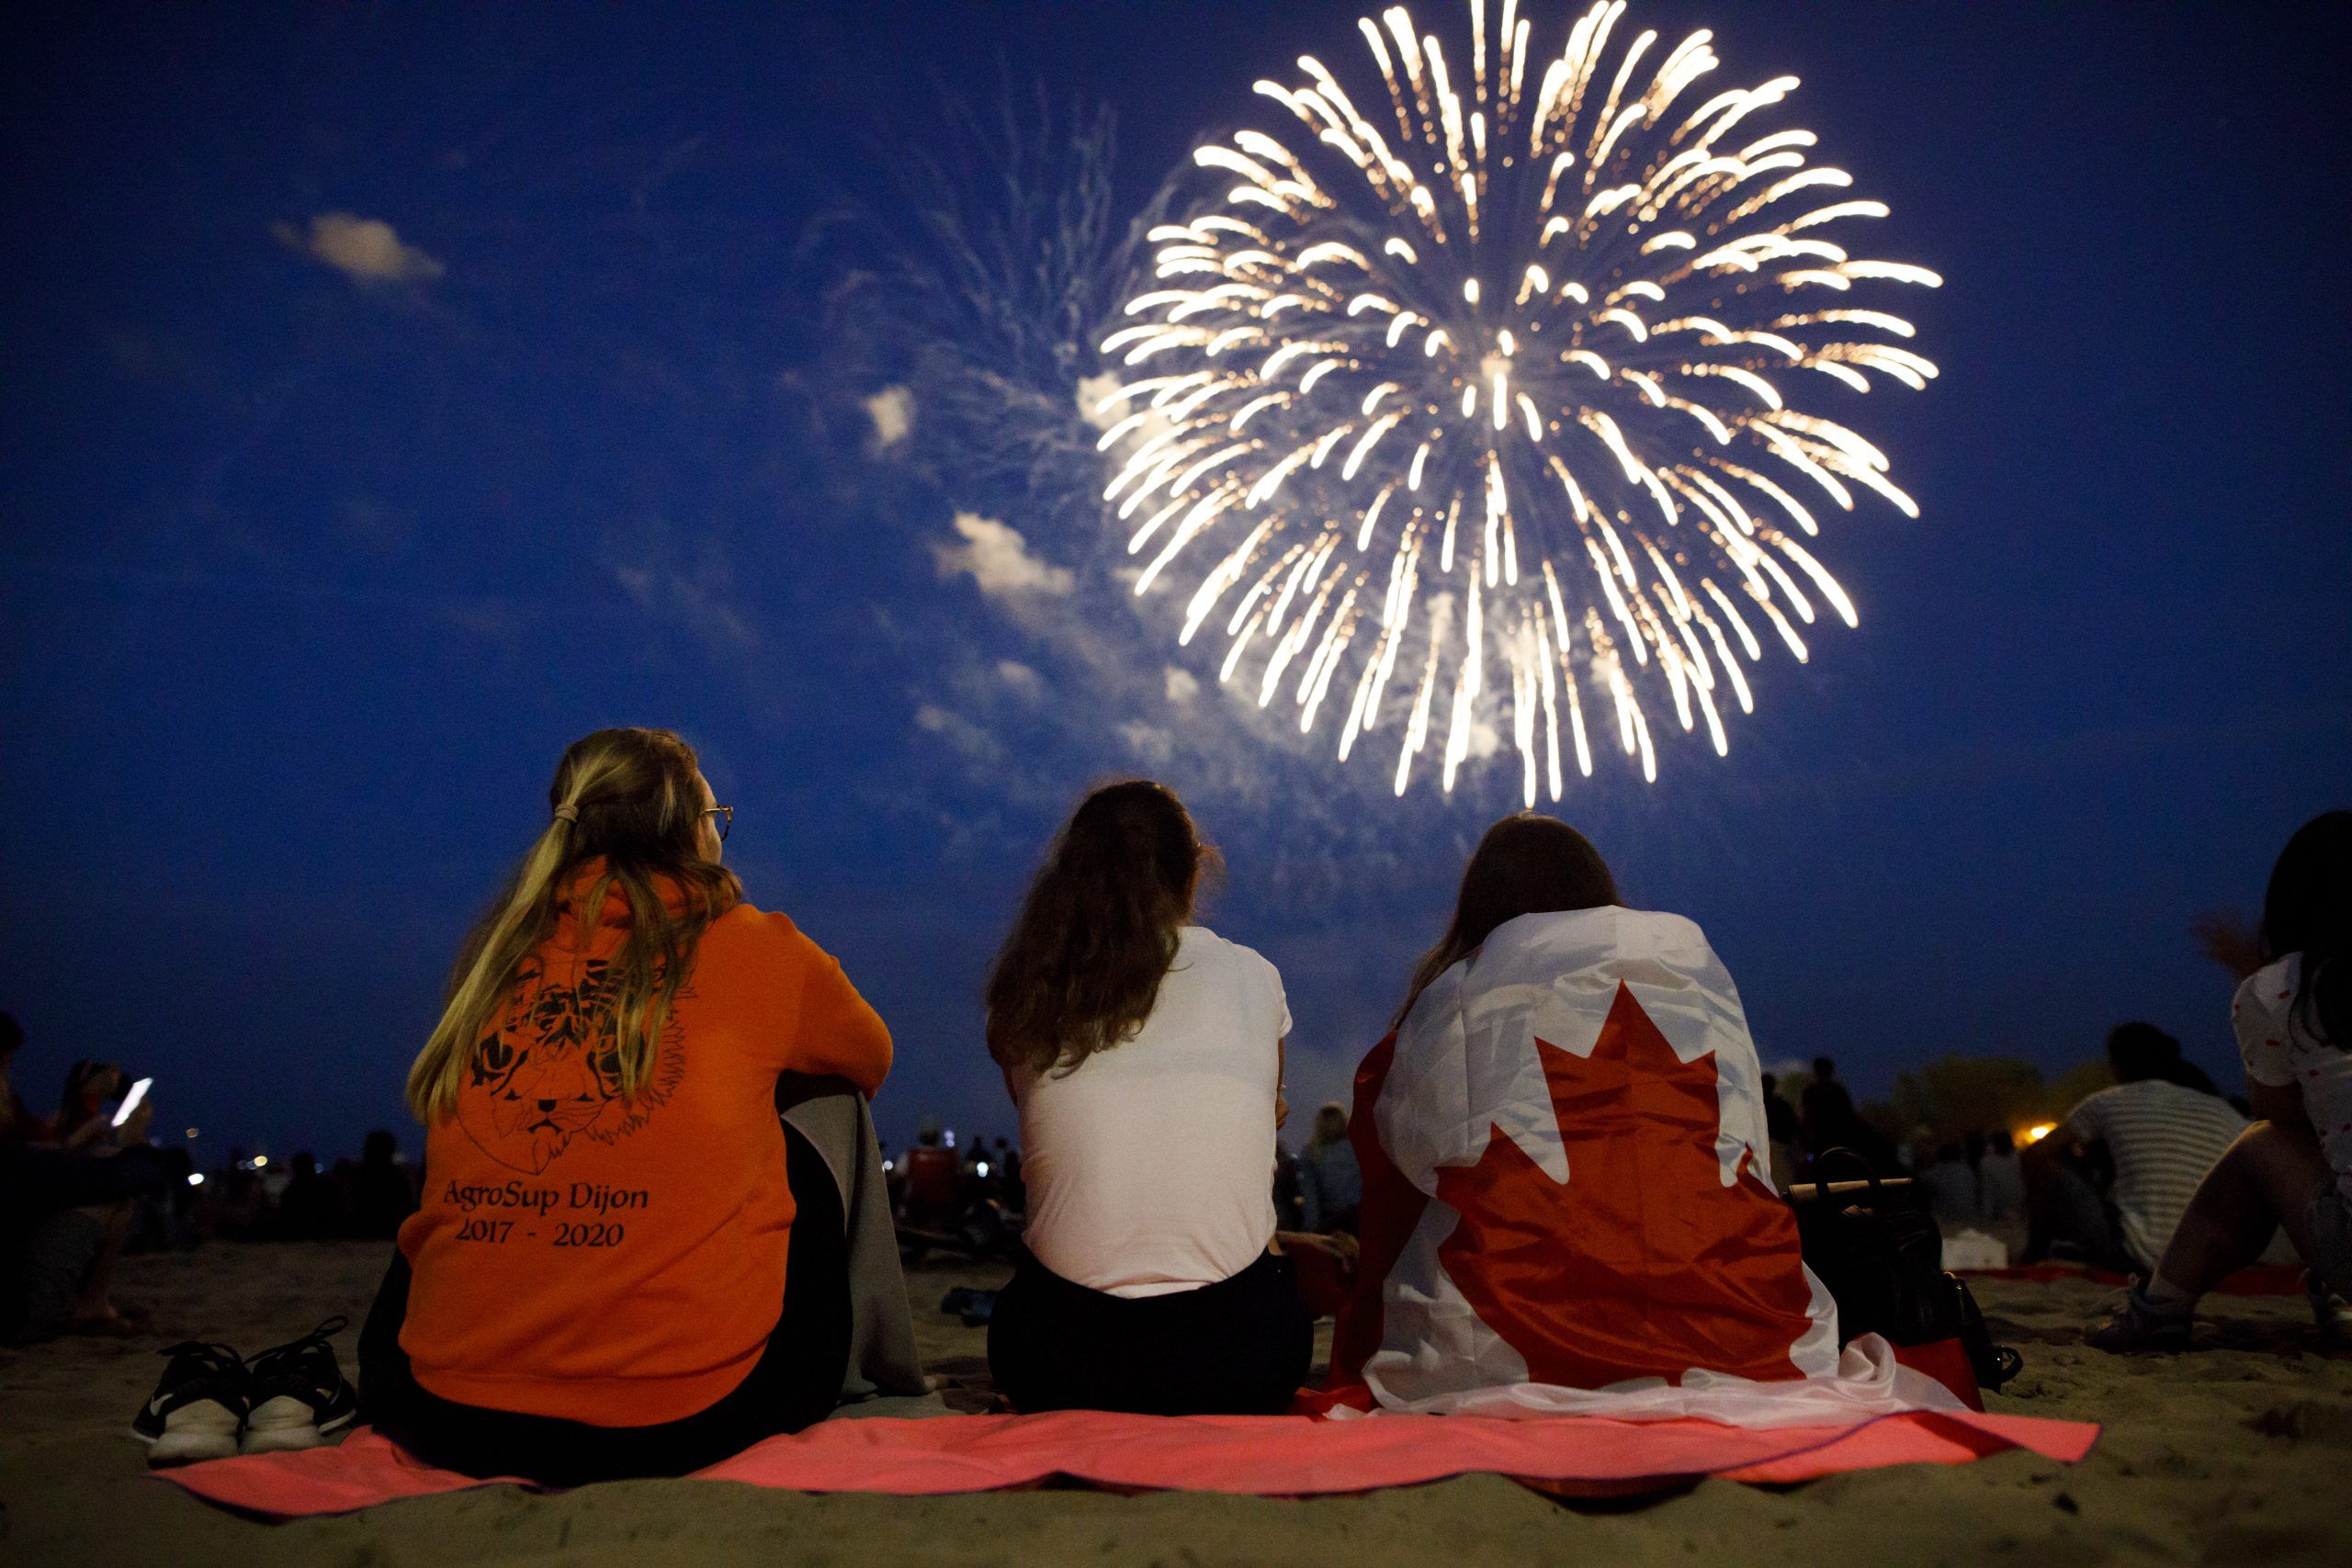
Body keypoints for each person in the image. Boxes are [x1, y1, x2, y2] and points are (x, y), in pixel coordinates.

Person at [357, 726, 892, 1484]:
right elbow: (871, 1057)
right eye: (716, 817)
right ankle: (875, 1352)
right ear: (691, 830)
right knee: (823, 1100)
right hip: (683, 1418)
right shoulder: (760, 945)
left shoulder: (498, 953)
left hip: (443, 1412)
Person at [1329, 815, 1846, 1411]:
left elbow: (1391, 1211)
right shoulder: (1703, 989)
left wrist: (1357, 1351)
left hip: (1512, 1351)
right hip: (1747, 1334)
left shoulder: (1436, 1019)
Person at [983, 780, 1310, 1416]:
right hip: (1240, 1360)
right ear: (1193, 874)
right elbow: (1267, 1118)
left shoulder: (1029, 993)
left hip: (1060, 1360)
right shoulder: (1255, 975)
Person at [2092, 810, 2352, 1350]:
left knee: (2263, 1143)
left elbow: (2279, 1111)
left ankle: (2160, 1307)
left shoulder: (2285, 988)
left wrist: (2253, 975)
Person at [2030, 1023, 2246, 1278]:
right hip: (2217, 1262)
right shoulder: (2224, 1112)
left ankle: (2035, 1251)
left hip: (2139, 1257)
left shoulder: (2108, 1101)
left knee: (2045, 1166)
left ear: (2117, 1065)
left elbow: (2036, 1153)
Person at [1296, 1102, 1362, 1235]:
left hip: (1333, 1221)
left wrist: (1311, 1229)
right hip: (1360, 1215)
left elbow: (1311, 1197)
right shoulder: (1359, 1147)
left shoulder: (1311, 1153)